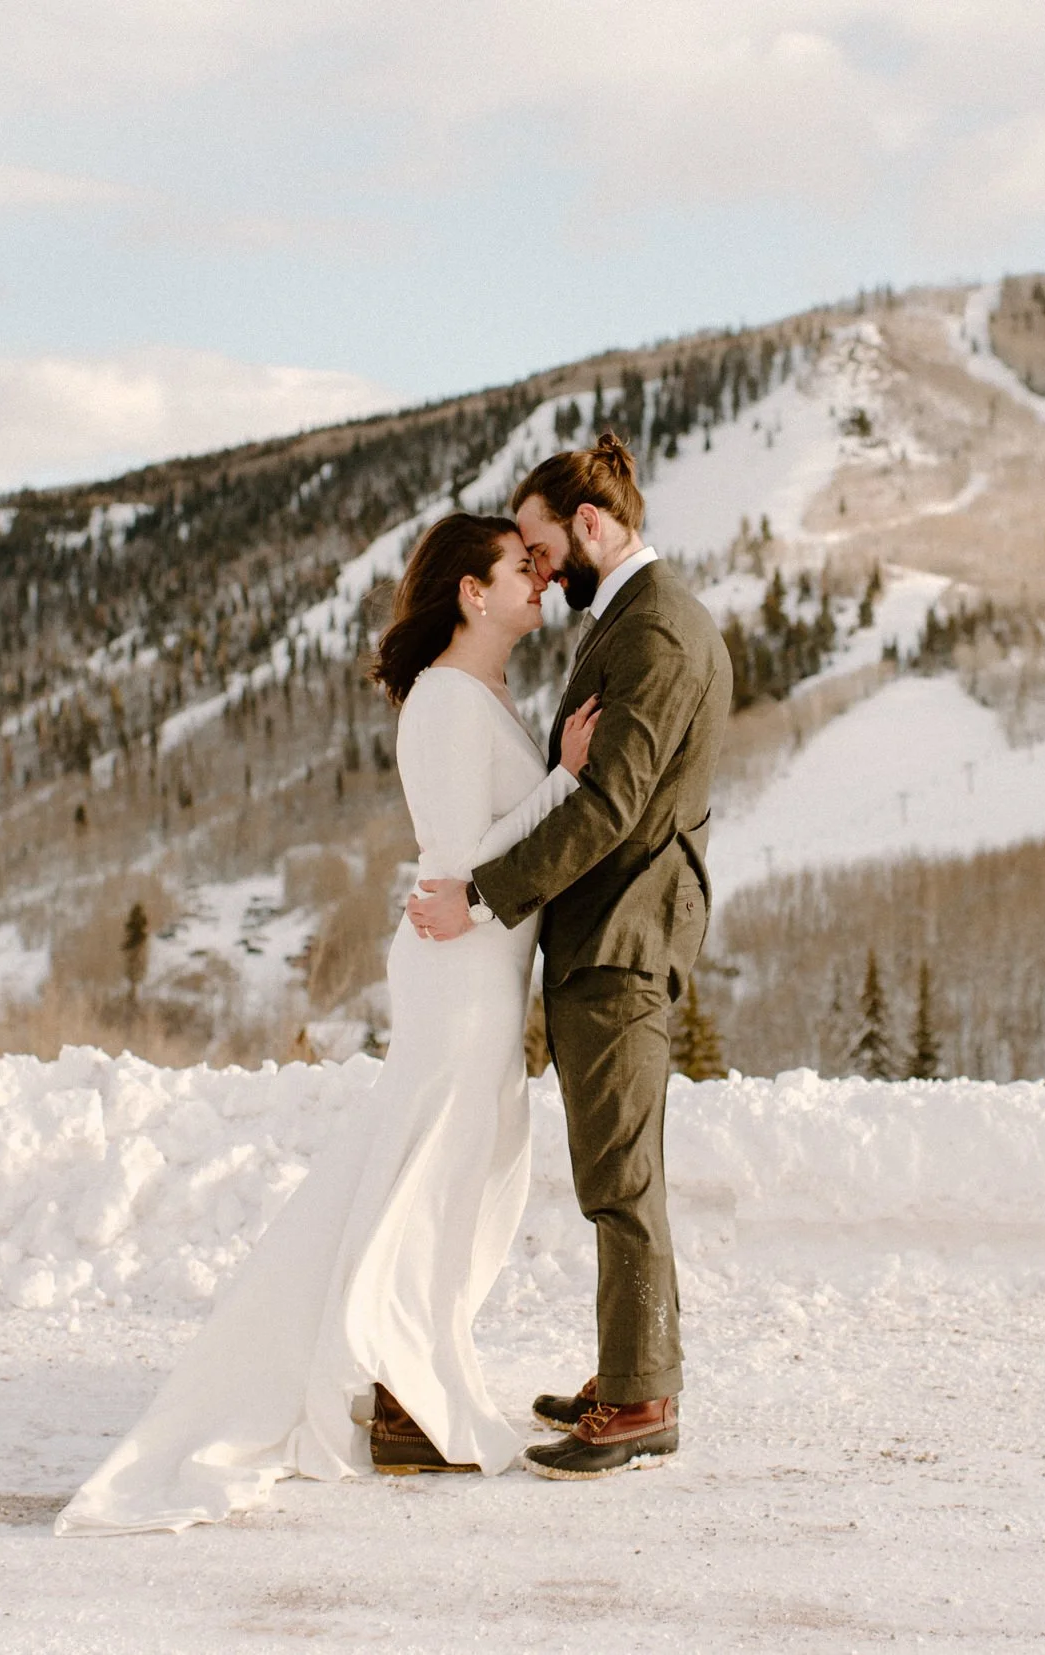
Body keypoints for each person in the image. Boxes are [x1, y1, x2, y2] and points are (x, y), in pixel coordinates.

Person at [55, 511, 599, 1534]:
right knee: (429, 1178)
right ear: (471, 593)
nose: (541, 582)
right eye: (520, 569)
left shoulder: (481, 691)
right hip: (459, 973)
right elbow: (457, 852)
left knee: (457, 1176)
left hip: (484, 968)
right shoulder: (443, 698)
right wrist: (567, 781)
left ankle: (404, 1379)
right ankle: (391, 1390)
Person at [407, 435, 732, 1479]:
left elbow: (610, 802)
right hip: (609, 930)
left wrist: (486, 893)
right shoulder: (631, 621)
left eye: (544, 548)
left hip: (624, 933)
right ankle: (632, 1363)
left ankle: (641, 1396)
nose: (541, 571)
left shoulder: (656, 631)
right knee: (613, 1164)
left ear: (590, 525)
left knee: (620, 1173)